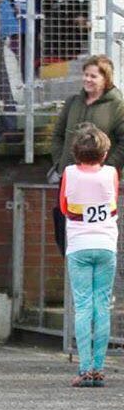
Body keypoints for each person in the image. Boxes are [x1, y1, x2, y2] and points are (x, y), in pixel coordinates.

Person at [59, 123, 117, 388]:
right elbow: (112, 205)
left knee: (82, 306)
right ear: (104, 154)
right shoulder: (112, 173)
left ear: (75, 153)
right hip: (106, 244)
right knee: (101, 306)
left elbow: (64, 207)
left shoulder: (70, 173)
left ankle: (84, 369)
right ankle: (99, 368)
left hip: (79, 245)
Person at [50, 55, 124, 177]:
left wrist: (108, 168)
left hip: (100, 179)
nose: (87, 79)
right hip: (69, 176)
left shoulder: (117, 106)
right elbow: (57, 135)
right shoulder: (72, 102)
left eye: (93, 76)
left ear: (106, 79)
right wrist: (60, 162)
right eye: (86, 74)